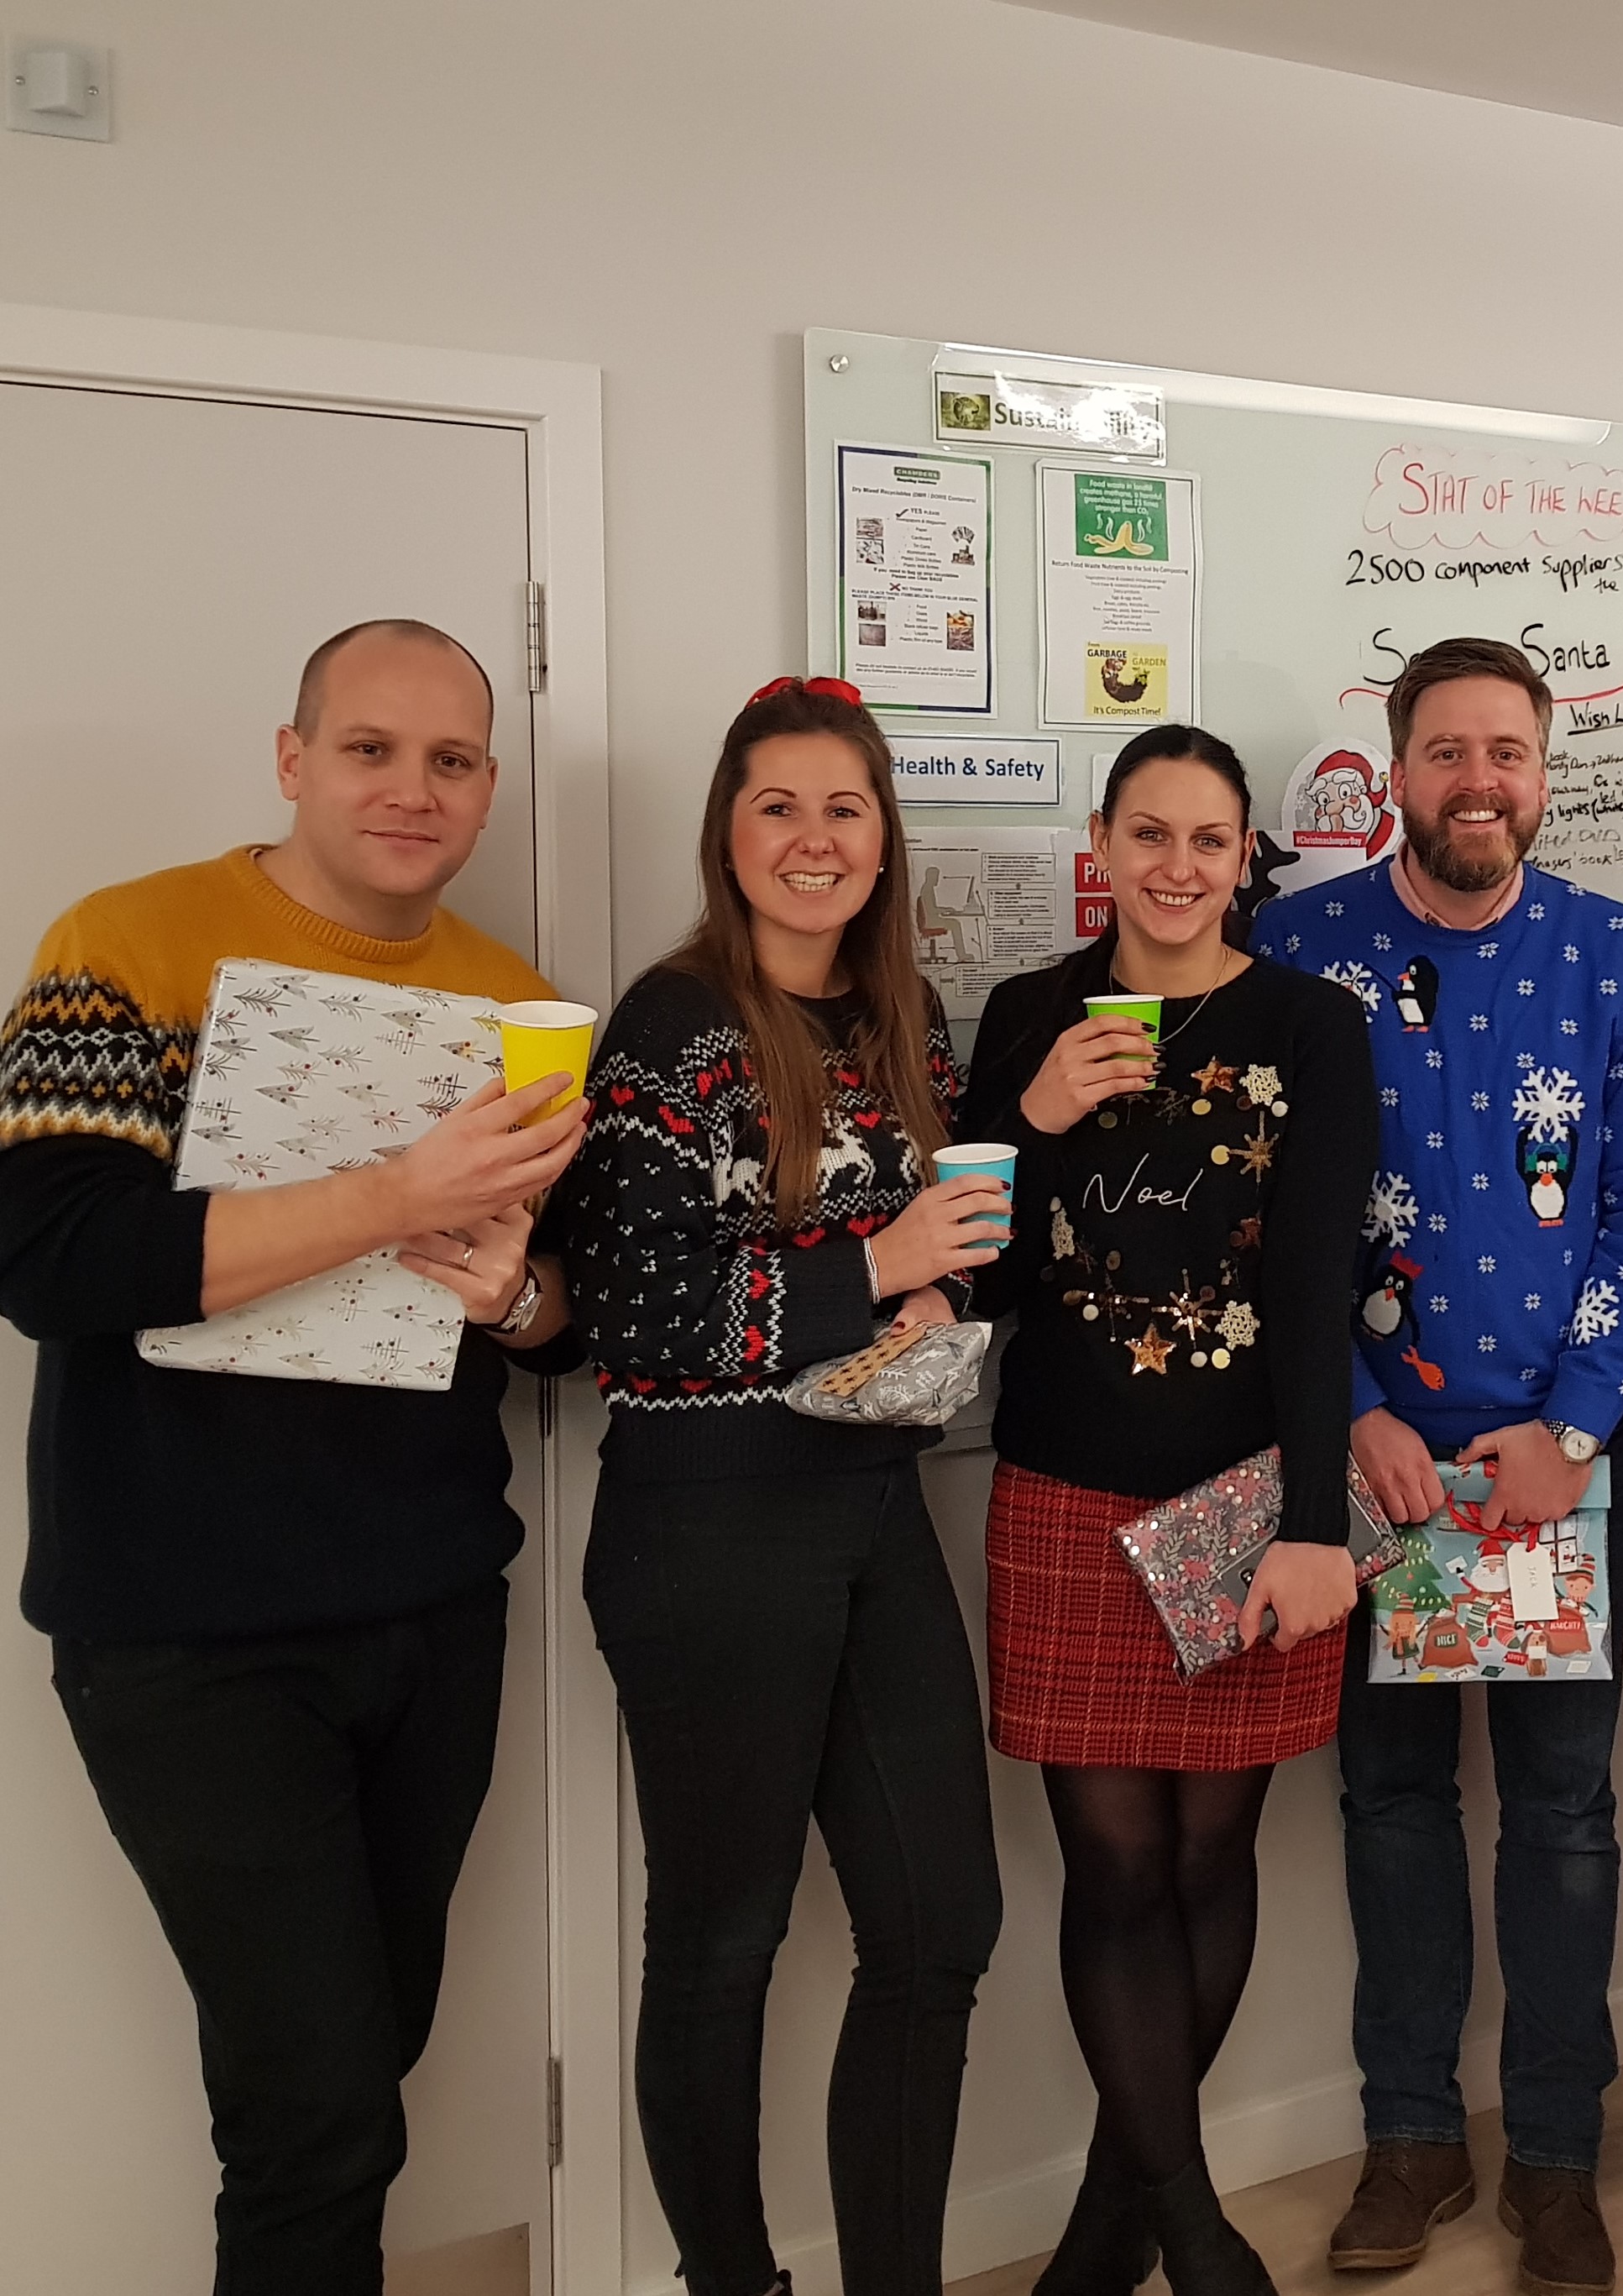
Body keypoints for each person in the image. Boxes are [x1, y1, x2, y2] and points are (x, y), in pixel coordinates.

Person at [0, 619, 589, 2294]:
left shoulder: (509, 998)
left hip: (426, 1599)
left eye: (453, 759)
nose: (414, 789)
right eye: (371, 749)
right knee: (315, 2102)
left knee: (362, 2057)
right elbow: (52, 1263)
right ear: (292, 755)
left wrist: (521, 1292)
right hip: (183, 1621)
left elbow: (566, 1323)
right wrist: (396, 1195)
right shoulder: (127, 942)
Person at [555, 676, 1008, 2296]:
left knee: (941, 1922)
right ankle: (729, 2280)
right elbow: (625, 1309)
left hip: (873, 1505)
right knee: (723, 1942)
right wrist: (876, 1259)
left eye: (844, 808)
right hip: (707, 1520)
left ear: (884, 839)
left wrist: (942, 1293)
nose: (813, 839)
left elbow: (924, 1264)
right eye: (779, 807)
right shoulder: (672, 1022)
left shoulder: (908, 1026)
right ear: (727, 834)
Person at [1255, 638, 1623, 2296]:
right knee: (1387, 1798)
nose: (1479, 780)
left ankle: (1558, 2158)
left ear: (1543, 764)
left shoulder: (1605, 950)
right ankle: (1413, 2134)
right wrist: (1353, 1405)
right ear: (1394, 764)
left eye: (1507, 750)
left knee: (1564, 1810)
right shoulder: (1298, 947)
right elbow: (1268, 1213)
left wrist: (1570, 1424)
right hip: (1369, 1463)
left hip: (1546, 1461)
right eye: (1448, 751)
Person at [964, 725, 1375, 2296]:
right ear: (1102, 842)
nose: (1179, 866)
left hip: (1250, 1499)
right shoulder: (1027, 1018)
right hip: (1065, 1486)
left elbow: (1314, 1283)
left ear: (1245, 856)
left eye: (1211, 839)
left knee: (1212, 1856)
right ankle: (1190, 2222)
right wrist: (1032, 1116)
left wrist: (1319, 1522)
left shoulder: (1307, 1024)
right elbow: (979, 1275)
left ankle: (1106, 2211)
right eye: (1150, 833)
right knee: (1113, 1869)